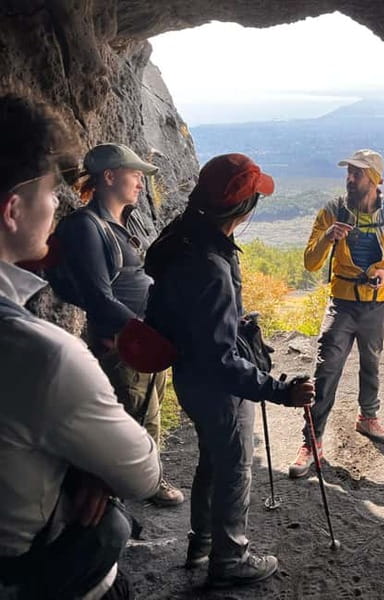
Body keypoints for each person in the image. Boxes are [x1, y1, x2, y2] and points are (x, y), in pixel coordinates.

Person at [0, 96, 161, 598]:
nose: (55, 206)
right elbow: (141, 471)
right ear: (12, 210)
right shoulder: (43, 356)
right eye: (49, 193)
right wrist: (90, 466)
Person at [144, 153, 315, 588]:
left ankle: (202, 541)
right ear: (241, 210)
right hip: (214, 385)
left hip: (187, 374)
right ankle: (230, 557)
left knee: (213, 460)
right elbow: (220, 358)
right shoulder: (211, 266)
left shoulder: (183, 238)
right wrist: (280, 391)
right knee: (235, 466)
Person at [50, 142, 183, 507]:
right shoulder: (87, 228)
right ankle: (107, 500)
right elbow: (98, 297)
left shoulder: (124, 220)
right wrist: (142, 333)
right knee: (126, 420)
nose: (141, 182)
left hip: (144, 340)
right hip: (123, 345)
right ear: (109, 176)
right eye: (134, 174)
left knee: (148, 415)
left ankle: (147, 480)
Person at [289, 149, 384, 478]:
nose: (350, 178)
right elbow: (310, 262)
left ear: (376, 179)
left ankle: (368, 417)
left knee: (371, 362)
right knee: (326, 368)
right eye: (349, 172)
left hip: (378, 303)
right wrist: (329, 237)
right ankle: (311, 440)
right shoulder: (332, 211)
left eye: (358, 173)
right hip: (342, 302)